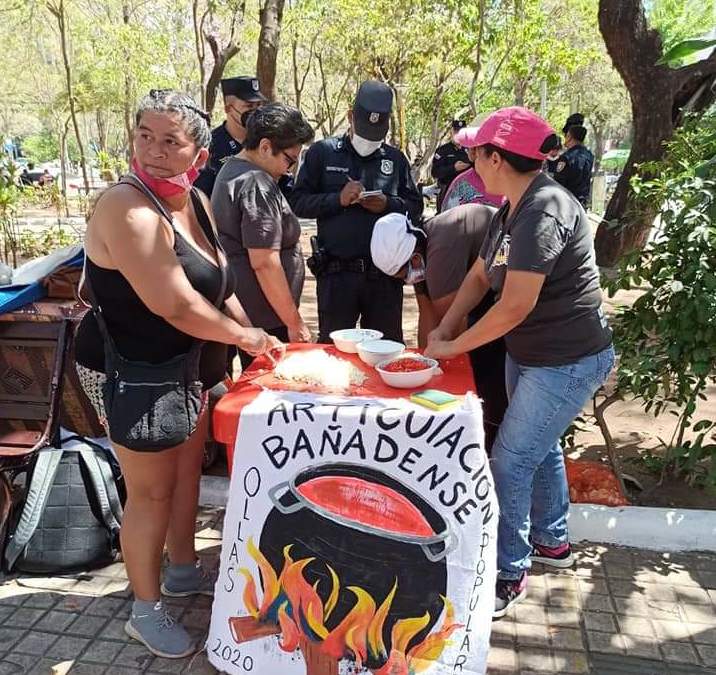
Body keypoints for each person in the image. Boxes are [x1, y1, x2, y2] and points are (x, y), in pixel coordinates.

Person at [74, 89, 282, 659]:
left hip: (188, 368)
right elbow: (177, 305)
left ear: (198, 152)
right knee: (151, 491)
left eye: (172, 140)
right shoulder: (126, 206)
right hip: (132, 371)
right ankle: (145, 611)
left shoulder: (194, 199)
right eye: (146, 135)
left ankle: (183, 569)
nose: (155, 150)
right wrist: (246, 337)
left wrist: (260, 343)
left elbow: (218, 287)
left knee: (188, 472)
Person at [423, 107, 614, 618]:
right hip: (530, 354)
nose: (470, 160)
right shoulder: (513, 205)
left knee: (509, 460)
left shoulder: (545, 209)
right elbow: (485, 275)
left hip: (566, 360)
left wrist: (451, 348)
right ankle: (552, 540)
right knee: (537, 446)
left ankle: (510, 570)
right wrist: (447, 325)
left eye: (475, 151)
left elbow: (514, 305)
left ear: (495, 157)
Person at [288, 80, 423, 343]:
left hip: (384, 279)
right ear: (351, 117)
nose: (368, 141)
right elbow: (298, 201)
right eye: (364, 132)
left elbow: (415, 207)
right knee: (334, 355)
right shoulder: (322, 153)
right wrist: (337, 199)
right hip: (337, 277)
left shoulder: (395, 160)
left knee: (387, 352)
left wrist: (389, 205)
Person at [370, 205, 508, 451]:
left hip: (506, 296)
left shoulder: (441, 249)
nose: (406, 280)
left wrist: (445, 367)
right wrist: (426, 363)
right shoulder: (418, 251)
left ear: (413, 258)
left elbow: (456, 323)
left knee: (487, 377)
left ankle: (486, 444)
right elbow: (428, 313)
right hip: (482, 293)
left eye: (404, 275)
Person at [212, 104, 315, 369]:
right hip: (267, 320)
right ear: (266, 147)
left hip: (256, 313)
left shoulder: (232, 169)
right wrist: (294, 323)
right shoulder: (256, 183)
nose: (290, 169)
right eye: (289, 160)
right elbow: (264, 262)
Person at [195, 76, 266, 197]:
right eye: (249, 106)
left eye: (259, 105)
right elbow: (202, 193)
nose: (256, 111)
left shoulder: (266, 142)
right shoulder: (211, 145)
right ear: (228, 108)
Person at [441, 125, 504, 211]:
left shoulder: (518, 187)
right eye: (470, 148)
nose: (471, 153)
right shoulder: (461, 186)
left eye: (476, 148)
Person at [431, 120, 471, 211]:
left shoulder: (470, 150)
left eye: (461, 131)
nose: (458, 134)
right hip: (447, 191)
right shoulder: (443, 150)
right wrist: (453, 168)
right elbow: (435, 172)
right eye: (456, 131)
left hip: (467, 193)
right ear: (451, 132)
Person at [553, 124, 594, 207]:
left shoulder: (566, 157)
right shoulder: (589, 155)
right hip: (582, 201)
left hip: (567, 201)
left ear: (569, 137)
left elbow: (558, 181)